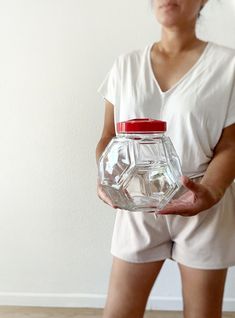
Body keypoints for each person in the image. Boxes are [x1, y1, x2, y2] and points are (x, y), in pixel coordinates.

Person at [96, 0, 235, 317]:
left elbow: (231, 144)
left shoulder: (229, 65)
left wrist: (210, 192)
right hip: (136, 202)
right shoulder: (126, 64)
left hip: (203, 203)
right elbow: (107, 138)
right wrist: (106, 178)